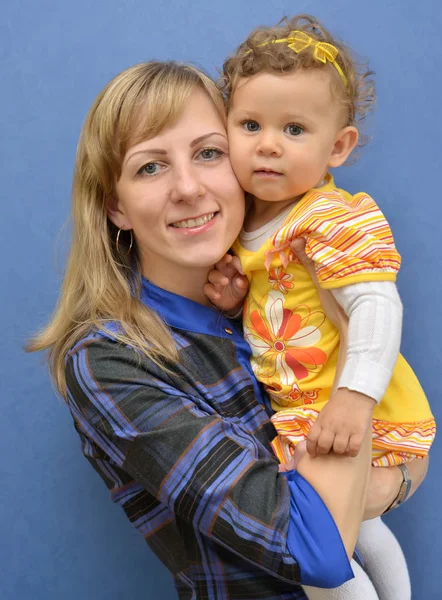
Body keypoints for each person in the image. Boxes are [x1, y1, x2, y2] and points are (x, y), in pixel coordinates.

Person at [27, 61, 428, 600]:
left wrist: (395, 473)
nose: (189, 188)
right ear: (115, 206)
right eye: (150, 167)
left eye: (208, 153)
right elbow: (314, 546)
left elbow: (402, 456)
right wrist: (392, 471)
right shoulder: (108, 359)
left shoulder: (276, 293)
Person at [204, 14, 435, 600]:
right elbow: (283, 307)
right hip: (305, 406)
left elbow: (378, 308)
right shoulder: (243, 227)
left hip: (352, 406)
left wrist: (354, 401)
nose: (269, 144)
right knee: (360, 529)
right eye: (250, 124)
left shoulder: (330, 218)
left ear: (339, 145)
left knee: (318, 556)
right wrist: (236, 302)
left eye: (295, 129)